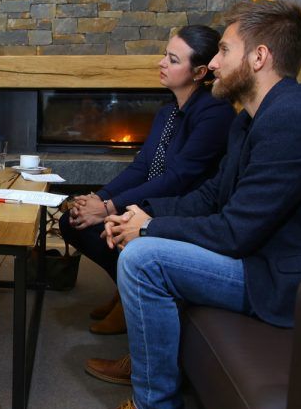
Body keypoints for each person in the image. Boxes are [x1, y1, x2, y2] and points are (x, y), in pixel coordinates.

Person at [68, 0, 301, 409]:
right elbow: (213, 195)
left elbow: (234, 231)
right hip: (268, 255)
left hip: (299, 282)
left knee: (145, 259)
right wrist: (145, 212)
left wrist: (148, 227)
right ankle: (150, 368)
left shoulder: (294, 121)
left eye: (224, 51)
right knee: (146, 241)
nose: (212, 63)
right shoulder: (252, 120)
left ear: (259, 57)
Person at [60, 25, 236, 334]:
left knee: (100, 226)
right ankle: (125, 288)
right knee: (72, 221)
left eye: (173, 59)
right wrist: (100, 198)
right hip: (148, 201)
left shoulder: (215, 113)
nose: (161, 63)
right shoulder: (168, 112)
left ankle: (132, 299)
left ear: (199, 72)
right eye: (165, 55)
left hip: (179, 209)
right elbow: (141, 167)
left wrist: (110, 208)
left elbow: (178, 178)